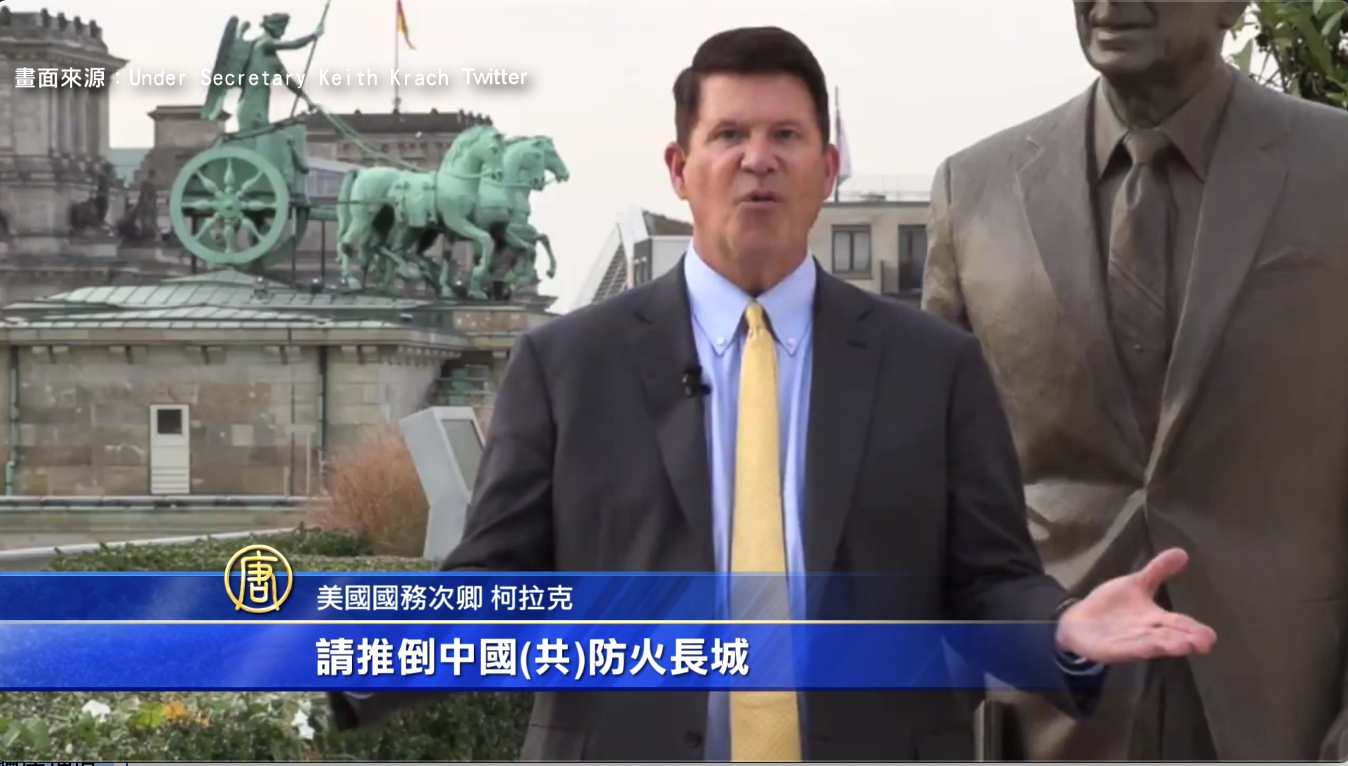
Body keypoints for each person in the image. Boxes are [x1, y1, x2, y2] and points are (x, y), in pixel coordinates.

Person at [331, 26, 1214, 761]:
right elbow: (496, 587)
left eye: (786, 137)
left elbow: (988, 582)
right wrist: (325, 673)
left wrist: (1061, 628)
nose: (758, 160)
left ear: (826, 168)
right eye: (729, 136)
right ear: (679, 167)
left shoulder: (934, 366)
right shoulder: (568, 365)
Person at [922, 0, 1348, 760]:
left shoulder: (1336, 172)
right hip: (1045, 718)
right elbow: (938, 498)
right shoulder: (974, 191)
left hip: (1290, 711)